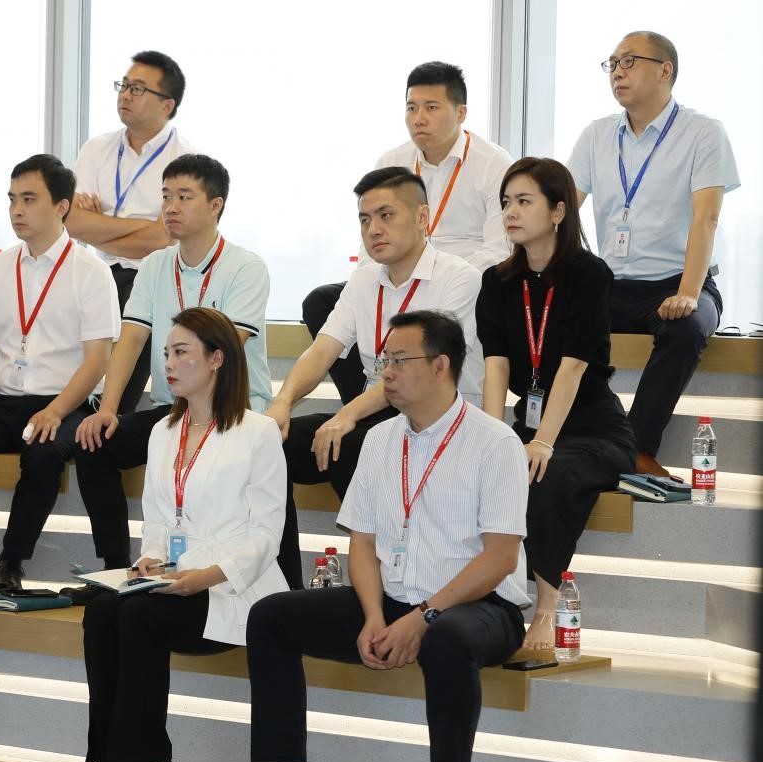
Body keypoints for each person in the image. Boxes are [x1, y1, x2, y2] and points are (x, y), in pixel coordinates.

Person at [208, 311, 529, 762]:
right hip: (394, 598)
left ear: (441, 366)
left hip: (479, 606)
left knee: (447, 639)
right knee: (270, 617)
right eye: (384, 361)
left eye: (400, 360)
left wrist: (423, 617)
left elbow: (499, 559)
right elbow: (362, 542)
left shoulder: (494, 442)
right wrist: (374, 614)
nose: (387, 373)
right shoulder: (380, 439)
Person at [76, 306, 287, 762]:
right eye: (166, 353)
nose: (168, 364)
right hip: (174, 579)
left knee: (138, 615)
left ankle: (149, 760)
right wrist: (149, 561)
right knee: (102, 608)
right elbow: (156, 519)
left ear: (217, 358)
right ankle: (115, 756)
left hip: (233, 589)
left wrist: (204, 577)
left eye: (180, 353)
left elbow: (266, 535)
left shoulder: (257, 432)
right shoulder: (163, 431)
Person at [269, 167, 484, 597]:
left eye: (386, 215)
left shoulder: (459, 277)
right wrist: (282, 403)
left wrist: (345, 415)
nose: (374, 229)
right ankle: (284, 587)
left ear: (422, 217)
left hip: (434, 422)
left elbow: (413, 373)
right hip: (379, 411)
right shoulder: (365, 279)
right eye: (365, 219)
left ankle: (387, 588)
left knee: (355, 444)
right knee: (268, 447)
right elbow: (323, 350)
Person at [69, 154, 274, 598]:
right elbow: (131, 338)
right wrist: (108, 408)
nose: (171, 207)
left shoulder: (246, 267)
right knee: (94, 442)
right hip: (174, 411)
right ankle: (117, 569)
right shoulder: (155, 265)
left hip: (233, 413)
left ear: (216, 205)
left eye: (184, 196)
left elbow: (226, 348)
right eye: (165, 196)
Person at [478, 158, 636, 650]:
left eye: (524, 201)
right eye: (506, 202)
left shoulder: (589, 274)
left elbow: (573, 368)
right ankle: (483, 594)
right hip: (529, 425)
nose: (511, 212)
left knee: (545, 477)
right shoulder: (497, 281)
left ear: (559, 211)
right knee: (489, 475)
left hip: (593, 429)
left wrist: (543, 441)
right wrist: (491, 441)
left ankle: (546, 605)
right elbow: (495, 368)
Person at [568, 31, 739, 477]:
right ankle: (570, 440)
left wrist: (688, 292)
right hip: (612, 283)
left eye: (629, 61)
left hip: (677, 281)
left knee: (687, 327)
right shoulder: (596, 135)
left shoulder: (703, 132)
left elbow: (706, 218)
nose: (617, 72)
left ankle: (636, 448)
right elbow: (562, 210)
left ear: (665, 70)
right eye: (612, 63)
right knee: (561, 319)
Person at [0, 154, 118, 593]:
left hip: (67, 404)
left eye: (29, 199)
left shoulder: (91, 272)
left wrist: (56, 411)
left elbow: (97, 360)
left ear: (62, 206)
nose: (16, 210)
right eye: (12, 199)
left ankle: (10, 563)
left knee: (43, 452)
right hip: (7, 404)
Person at [302, 62, 513, 404]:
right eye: (411, 108)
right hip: (397, 274)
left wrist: (435, 277)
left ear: (460, 113)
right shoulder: (393, 161)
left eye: (431, 108)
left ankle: (387, 403)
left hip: (459, 283)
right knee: (320, 301)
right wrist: (375, 284)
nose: (419, 118)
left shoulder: (493, 163)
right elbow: (371, 235)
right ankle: (365, 403)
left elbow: (498, 251)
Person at [68, 50, 193, 414]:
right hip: (97, 273)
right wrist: (146, 227)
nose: (125, 94)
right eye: (123, 85)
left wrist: (99, 227)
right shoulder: (97, 149)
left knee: (112, 400)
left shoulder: (184, 160)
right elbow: (72, 223)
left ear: (167, 105)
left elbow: (164, 240)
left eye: (137, 89)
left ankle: (103, 416)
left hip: (153, 279)